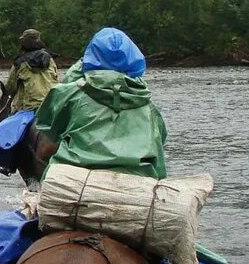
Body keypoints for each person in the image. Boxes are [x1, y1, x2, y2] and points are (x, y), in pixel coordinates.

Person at [33, 26, 167, 181]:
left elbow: (47, 127)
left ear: (91, 56)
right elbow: (161, 141)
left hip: (76, 178)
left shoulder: (69, 93)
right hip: (139, 178)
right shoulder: (148, 105)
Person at [4, 28, 59, 113]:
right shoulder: (50, 59)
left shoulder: (19, 62)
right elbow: (55, 78)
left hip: (29, 107)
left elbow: (9, 87)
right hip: (53, 104)